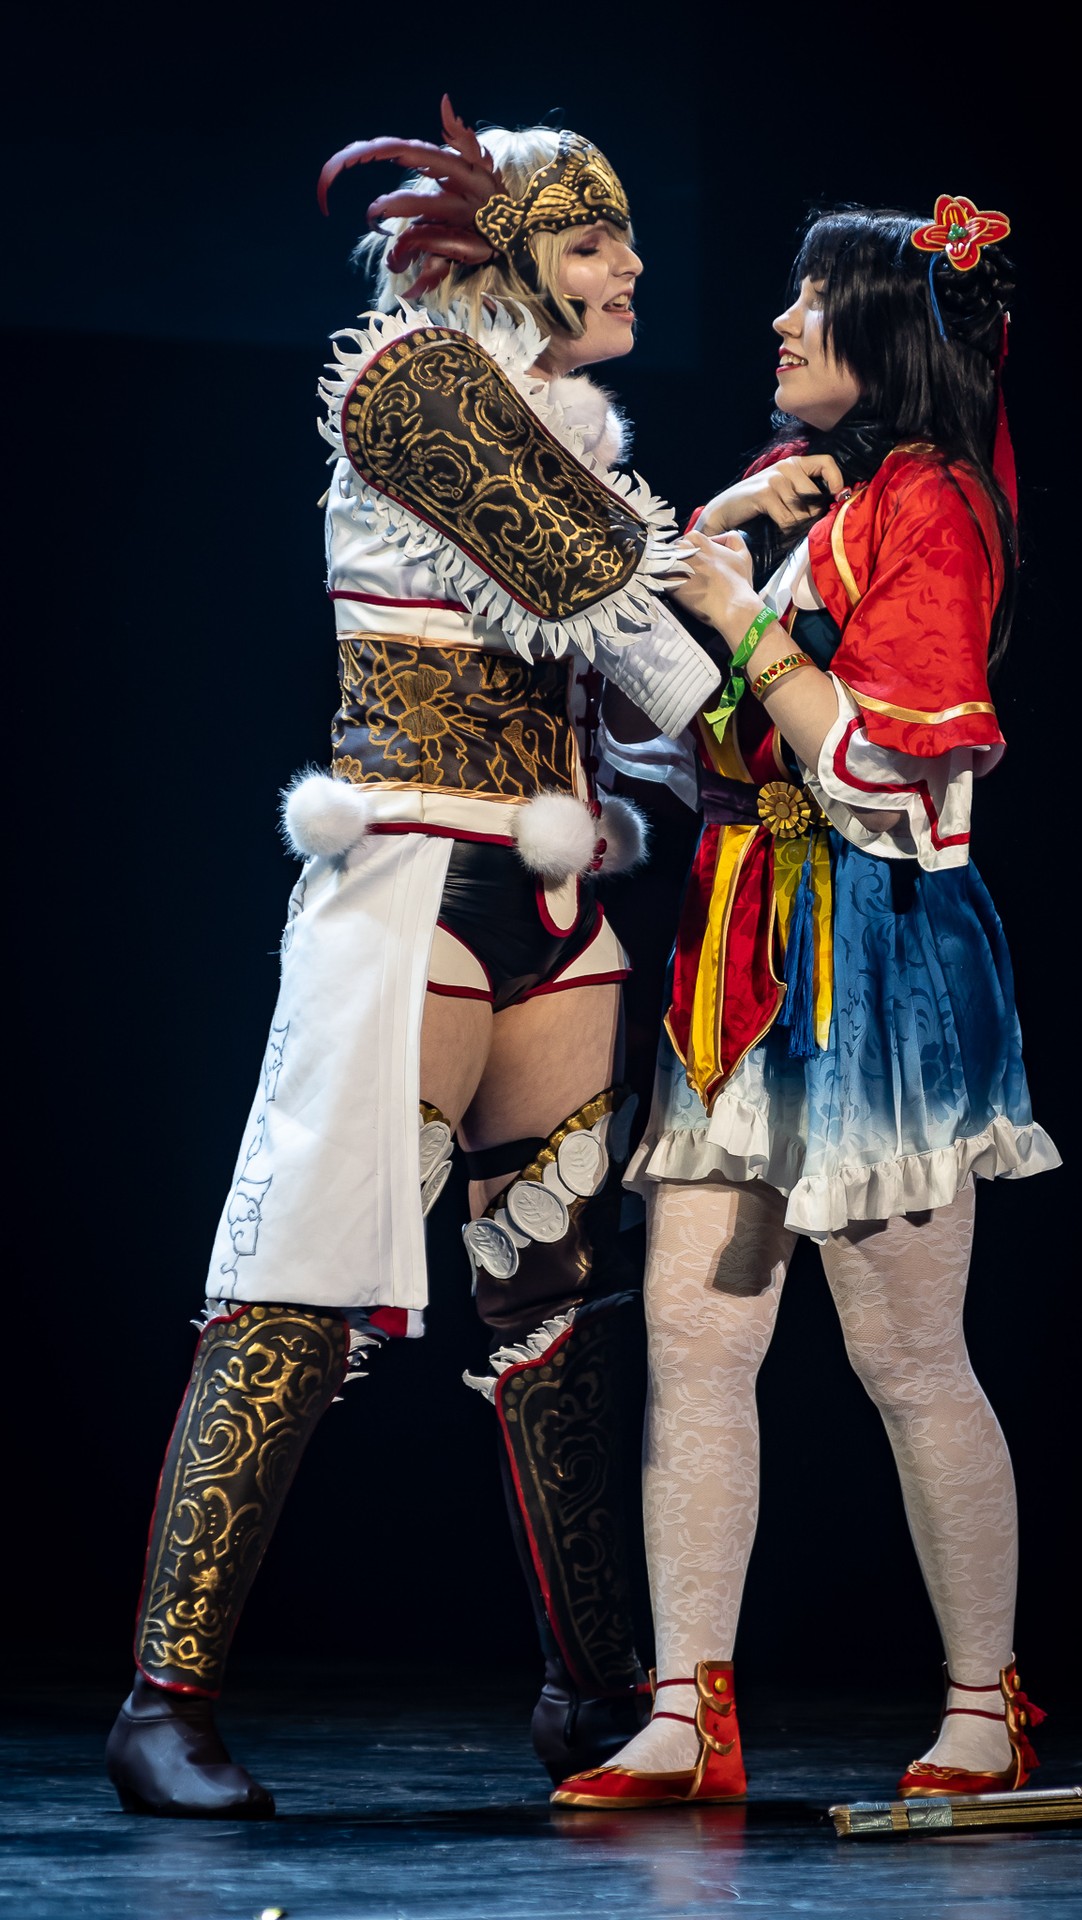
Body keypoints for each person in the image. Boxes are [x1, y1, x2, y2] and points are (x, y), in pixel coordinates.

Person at [105, 99, 720, 1819]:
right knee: (299, 1293)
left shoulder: (562, 424)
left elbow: (622, 659)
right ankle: (162, 1702)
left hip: (550, 896)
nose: (632, 263)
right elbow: (616, 605)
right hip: (410, 888)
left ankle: (593, 1696)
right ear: (510, 257)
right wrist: (792, 711)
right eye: (591, 237)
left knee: (558, 1311)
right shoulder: (418, 385)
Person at [552, 198, 1060, 1810]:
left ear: (890, 332)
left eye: (812, 298)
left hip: (880, 964)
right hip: (744, 948)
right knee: (695, 1341)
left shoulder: (939, 509)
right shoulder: (815, 500)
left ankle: (985, 1702)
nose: (779, 323)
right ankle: (685, 1710)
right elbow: (686, 730)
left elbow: (880, 776)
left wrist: (735, 611)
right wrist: (717, 544)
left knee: (906, 1357)